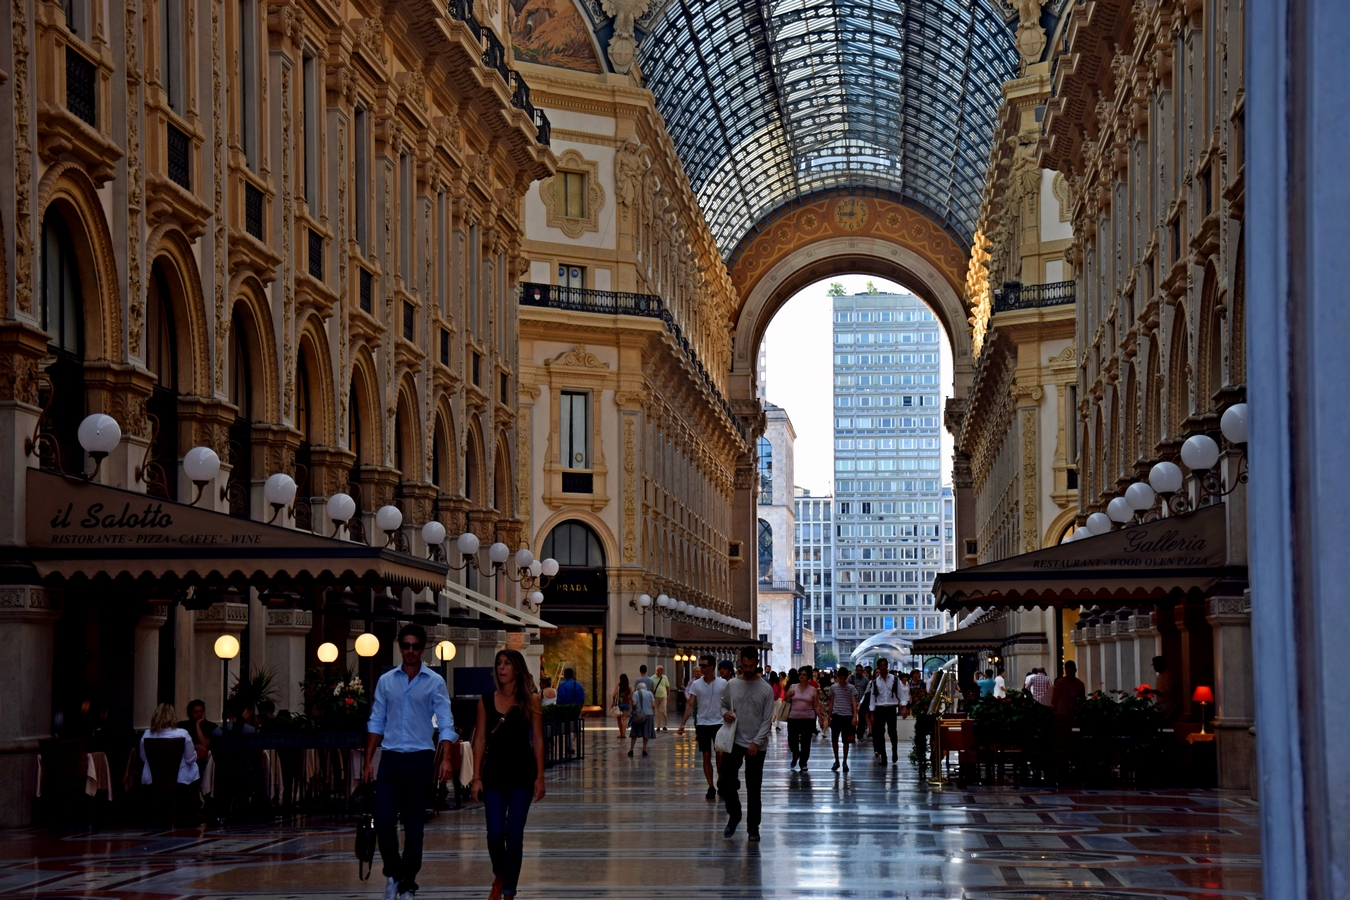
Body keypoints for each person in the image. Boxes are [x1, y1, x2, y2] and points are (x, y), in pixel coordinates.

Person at [363, 623, 457, 900]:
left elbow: (446, 723)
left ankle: (408, 882)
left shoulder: (435, 682)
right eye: (406, 646)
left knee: (415, 825)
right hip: (390, 758)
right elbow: (376, 720)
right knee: (383, 820)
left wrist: (446, 759)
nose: (411, 651)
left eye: (416, 646)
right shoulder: (387, 681)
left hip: (420, 759)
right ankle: (394, 873)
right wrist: (369, 760)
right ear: (400, 647)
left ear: (423, 648)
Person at [468, 649, 545, 900]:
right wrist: (476, 777)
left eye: (507, 664)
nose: (501, 668)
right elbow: (479, 739)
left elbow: (537, 738)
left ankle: (508, 891)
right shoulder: (485, 700)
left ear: (517, 669)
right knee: (493, 834)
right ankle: (499, 874)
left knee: (514, 834)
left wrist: (540, 776)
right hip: (494, 775)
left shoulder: (530, 700)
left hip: (522, 774)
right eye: (499, 663)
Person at [719, 645, 775, 841]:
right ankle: (734, 814)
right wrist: (724, 713)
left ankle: (753, 827)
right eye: (745, 666)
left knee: (754, 787)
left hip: (756, 745)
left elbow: (767, 719)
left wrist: (756, 743)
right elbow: (724, 704)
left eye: (752, 666)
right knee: (726, 780)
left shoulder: (766, 689)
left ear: (757, 664)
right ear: (740, 664)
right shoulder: (732, 685)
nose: (749, 669)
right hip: (734, 740)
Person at [677, 655, 728, 800]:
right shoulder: (696, 684)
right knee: (706, 755)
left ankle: (720, 780)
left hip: (719, 722)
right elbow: (690, 704)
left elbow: (729, 701)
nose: (701, 668)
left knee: (720, 755)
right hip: (703, 723)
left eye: (704, 666)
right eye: (700, 666)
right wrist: (682, 724)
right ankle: (711, 786)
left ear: (711, 667)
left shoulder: (723, 683)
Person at [140, 702, 200, 787]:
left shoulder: (147, 734)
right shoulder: (182, 734)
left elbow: (144, 758)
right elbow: (190, 759)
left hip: (153, 780)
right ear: (173, 716)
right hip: (180, 781)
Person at [1050, 660, 1087, 785]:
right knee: (1060, 749)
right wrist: (1055, 714)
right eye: (1067, 671)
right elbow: (1054, 700)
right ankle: (1062, 773)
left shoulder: (1079, 685)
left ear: (1075, 671)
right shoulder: (1060, 683)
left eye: (1071, 671)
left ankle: (1073, 773)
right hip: (1060, 720)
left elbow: (1082, 700)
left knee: (1073, 748)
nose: (1069, 673)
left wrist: (1077, 712)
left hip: (1072, 720)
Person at [866, 658, 903, 765]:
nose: (883, 667)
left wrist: (903, 706)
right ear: (878, 667)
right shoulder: (875, 682)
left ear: (887, 666)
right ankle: (884, 757)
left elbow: (900, 693)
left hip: (891, 708)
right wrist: (872, 713)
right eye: (881, 665)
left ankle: (894, 751)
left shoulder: (894, 679)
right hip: (880, 709)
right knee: (879, 733)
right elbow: (873, 698)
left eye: (885, 665)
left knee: (892, 732)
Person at [784, 668, 820, 772]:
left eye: (804, 674)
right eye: (800, 674)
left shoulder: (813, 689)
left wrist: (821, 719)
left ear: (808, 677)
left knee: (806, 742)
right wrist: (788, 694)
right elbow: (785, 699)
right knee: (792, 740)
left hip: (808, 719)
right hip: (793, 718)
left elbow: (816, 705)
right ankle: (796, 754)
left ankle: (803, 762)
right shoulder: (793, 687)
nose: (802, 676)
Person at [826, 669, 859, 772]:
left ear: (847, 677)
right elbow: (831, 702)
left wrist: (854, 716)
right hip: (836, 716)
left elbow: (854, 702)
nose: (842, 680)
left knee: (846, 741)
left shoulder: (851, 688)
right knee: (834, 740)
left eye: (844, 678)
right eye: (841, 678)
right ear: (838, 677)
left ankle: (844, 761)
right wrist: (829, 716)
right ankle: (837, 760)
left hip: (847, 716)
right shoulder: (833, 688)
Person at [178, 699, 215, 763]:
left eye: (201, 711)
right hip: (187, 761)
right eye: (196, 712)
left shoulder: (212, 726)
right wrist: (193, 746)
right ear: (189, 714)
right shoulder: (182, 726)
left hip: (206, 762)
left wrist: (198, 725)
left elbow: (205, 745)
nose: (199, 714)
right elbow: (178, 746)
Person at [628, 678, 655, 757]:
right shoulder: (650, 693)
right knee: (646, 733)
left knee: (635, 732)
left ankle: (631, 749)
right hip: (649, 715)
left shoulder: (635, 693)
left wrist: (632, 710)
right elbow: (653, 705)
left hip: (638, 715)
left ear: (638, 688)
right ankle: (644, 749)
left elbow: (634, 704)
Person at [1152, 656, 1179, 721]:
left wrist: (1151, 691)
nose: (1154, 667)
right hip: (1162, 707)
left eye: (1155, 664)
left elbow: (1167, 692)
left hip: (1169, 708)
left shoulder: (1168, 675)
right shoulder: (1159, 677)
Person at [849, 664, 870, 740]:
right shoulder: (851, 678)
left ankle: (860, 734)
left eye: (860, 670)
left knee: (862, 720)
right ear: (855, 670)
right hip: (852, 702)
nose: (859, 672)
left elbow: (868, 691)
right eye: (857, 670)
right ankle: (852, 734)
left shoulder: (866, 680)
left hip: (862, 703)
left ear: (862, 671)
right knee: (852, 718)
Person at [611, 674, 631, 739]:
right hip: (626, 703)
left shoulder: (618, 686)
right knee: (625, 719)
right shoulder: (629, 687)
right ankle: (624, 734)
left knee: (619, 720)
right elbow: (630, 697)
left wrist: (613, 703)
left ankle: (621, 733)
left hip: (619, 704)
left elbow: (614, 695)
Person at [652, 665, 671, 731]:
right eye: (661, 669)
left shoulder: (665, 677)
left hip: (663, 696)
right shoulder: (652, 678)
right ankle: (658, 726)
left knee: (663, 710)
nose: (662, 671)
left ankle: (664, 724)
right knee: (657, 711)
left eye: (662, 669)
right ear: (657, 671)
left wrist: (668, 696)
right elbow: (651, 688)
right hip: (656, 696)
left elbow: (667, 687)